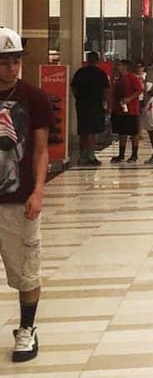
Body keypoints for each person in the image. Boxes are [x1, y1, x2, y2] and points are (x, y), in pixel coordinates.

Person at [0, 27, 54, 363]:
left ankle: (27, 329)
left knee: (26, 269)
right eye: (4, 62)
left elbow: (41, 149)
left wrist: (38, 191)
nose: (11, 68)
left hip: (18, 199)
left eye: (15, 61)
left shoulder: (33, 97)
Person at [70, 52, 109, 166]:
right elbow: (106, 90)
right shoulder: (100, 74)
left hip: (82, 105)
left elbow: (73, 87)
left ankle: (83, 155)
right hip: (95, 105)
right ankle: (91, 156)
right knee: (92, 131)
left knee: (83, 130)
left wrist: (78, 97)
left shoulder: (80, 72)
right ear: (98, 60)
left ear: (87, 60)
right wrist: (106, 104)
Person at [110, 60, 144, 163]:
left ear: (125, 67)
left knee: (133, 132)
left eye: (120, 65)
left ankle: (134, 154)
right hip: (119, 109)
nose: (117, 67)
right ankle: (121, 154)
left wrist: (129, 98)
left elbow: (140, 90)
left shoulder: (132, 78)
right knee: (122, 132)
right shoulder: (118, 78)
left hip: (131, 110)